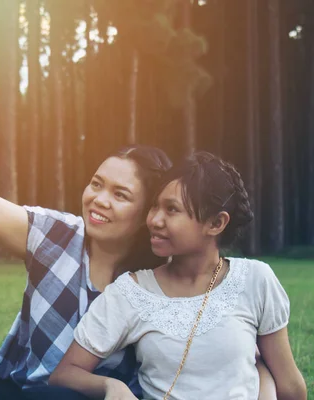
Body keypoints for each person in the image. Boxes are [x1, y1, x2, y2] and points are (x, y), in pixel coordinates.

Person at [0, 85, 171, 400]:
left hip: (76, 398)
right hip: (14, 390)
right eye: (96, 184)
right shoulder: (56, 234)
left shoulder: (157, 281)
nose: (99, 200)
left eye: (120, 195)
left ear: (147, 212)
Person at [49, 151, 307, 400]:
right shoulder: (131, 292)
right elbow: (65, 374)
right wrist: (110, 386)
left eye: (172, 210)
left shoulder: (255, 279)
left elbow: (290, 385)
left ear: (216, 224)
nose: (154, 220)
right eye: (154, 207)